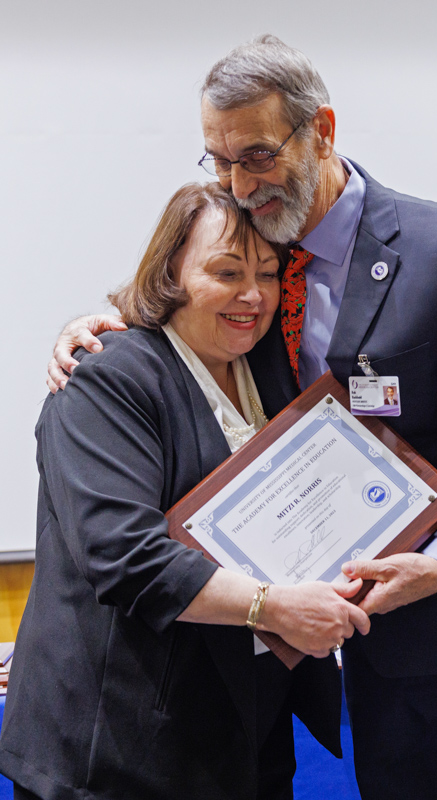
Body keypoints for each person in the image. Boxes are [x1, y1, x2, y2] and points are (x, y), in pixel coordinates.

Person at [45, 36, 437, 800]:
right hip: (360, 634)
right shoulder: (261, 250)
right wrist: (108, 324)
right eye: (217, 160)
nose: (238, 182)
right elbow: (204, 307)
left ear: (322, 129)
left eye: (257, 155)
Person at [0, 182, 371, 800]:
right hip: (121, 745)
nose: (251, 294)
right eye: (226, 272)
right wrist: (275, 608)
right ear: (169, 270)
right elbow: (125, 556)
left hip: (245, 730)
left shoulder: (270, 367)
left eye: (268, 273)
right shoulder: (105, 377)